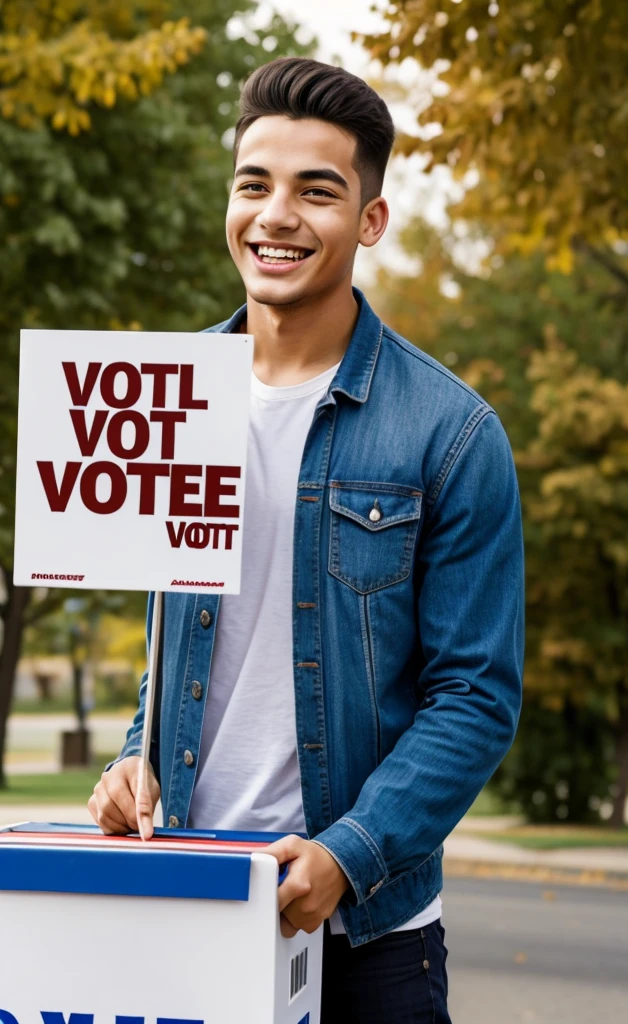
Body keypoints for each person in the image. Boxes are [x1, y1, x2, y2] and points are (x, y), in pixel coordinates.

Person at [88, 56, 524, 1023]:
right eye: (255, 185)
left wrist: (348, 853)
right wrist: (134, 761)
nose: (276, 216)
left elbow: (476, 696)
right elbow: (183, 648)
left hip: (370, 939)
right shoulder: (163, 395)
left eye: (316, 192)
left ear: (369, 220)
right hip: (188, 900)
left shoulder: (450, 434)